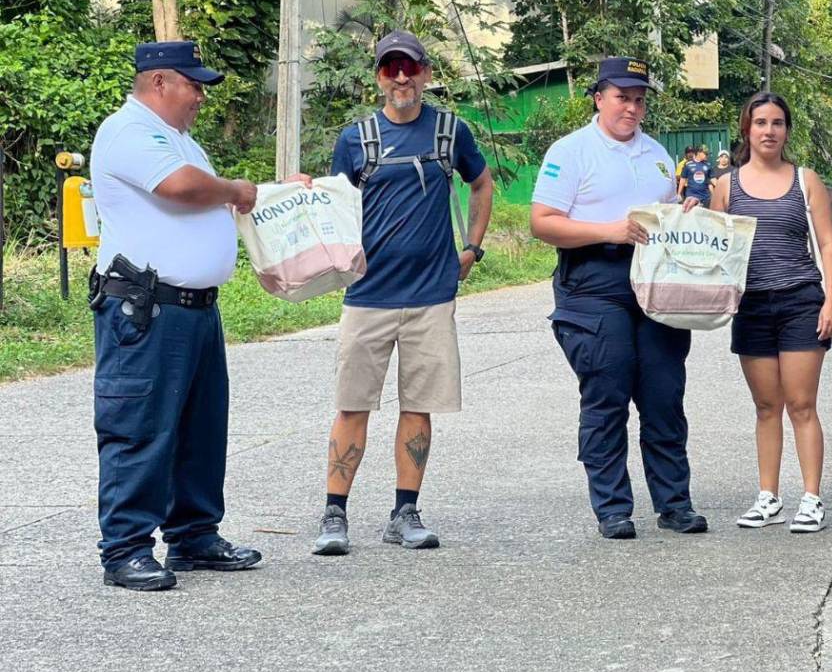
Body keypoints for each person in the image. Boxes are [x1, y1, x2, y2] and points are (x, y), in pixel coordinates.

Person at [90, 41, 286, 591]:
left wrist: (262, 198)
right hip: (147, 310)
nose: (201, 95)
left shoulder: (181, 141)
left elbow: (209, 201)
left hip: (195, 309)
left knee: (201, 427)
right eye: (193, 84)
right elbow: (180, 190)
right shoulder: (130, 131)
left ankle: (193, 535)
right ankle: (126, 547)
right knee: (140, 427)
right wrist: (238, 189)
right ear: (158, 82)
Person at [312, 30, 494, 556]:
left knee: (419, 406)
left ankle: (404, 512)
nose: (400, 78)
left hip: (431, 298)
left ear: (426, 73)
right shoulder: (356, 139)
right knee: (352, 405)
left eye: (409, 68)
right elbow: (332, 203)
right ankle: (334, 514)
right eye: (390, 68)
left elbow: (481, 184)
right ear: (378, 77)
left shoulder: (449, 132)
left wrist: (472, 248)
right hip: (367, 297)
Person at [530, 57, 707, 540]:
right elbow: (542, 222)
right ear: (598, 98)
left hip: (654, 285)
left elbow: (664, 217)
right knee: (607, 397)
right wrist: (608, 230)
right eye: (622, 97)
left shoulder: (655, 155)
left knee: (664, 396)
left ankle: (675, 504)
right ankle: (612, 508)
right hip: (593, 284)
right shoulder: (571, 151)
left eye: (639, 99)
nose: (632, 107)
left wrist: (683, 210)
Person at [705, 93, 832, 533]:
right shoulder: (726, 186)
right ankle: (768, 497)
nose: (769, 130)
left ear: (786, 130)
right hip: (752, 306)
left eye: (778, 123)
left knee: (801, 404)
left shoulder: (806, 180)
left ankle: (811, 498)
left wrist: (830, 299)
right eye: (760, 122)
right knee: (767, 406)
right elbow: (710, 245)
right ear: (746, 128)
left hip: (801, 300)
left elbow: (828, 244)